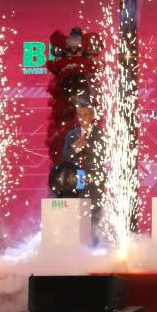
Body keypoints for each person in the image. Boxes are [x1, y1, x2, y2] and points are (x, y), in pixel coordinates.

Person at [62, 99, 104, 244]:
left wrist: (87, 146)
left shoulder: (101, 134)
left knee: (94, 215)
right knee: (76, 214)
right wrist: (75, 149)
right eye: (79, 114)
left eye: (85, 114)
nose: (82, 118)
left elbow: (103, 155)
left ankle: (95, 244)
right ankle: (77, 245)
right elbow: (65, 158)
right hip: (76, 181)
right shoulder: (72, 135)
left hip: (94, 181)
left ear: (92, 116)